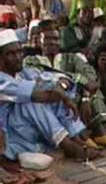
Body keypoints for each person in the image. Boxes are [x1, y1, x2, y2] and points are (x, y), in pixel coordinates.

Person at [0, 29, 99, 161]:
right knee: (31, 100)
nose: (18, 57)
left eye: (19, 52)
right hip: (11, 136)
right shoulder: (2, 80)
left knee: (52, 92)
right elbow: (35, 94)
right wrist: (61, 95)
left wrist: (61, 89)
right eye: (11, 54)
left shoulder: (24, 73)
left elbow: (59, 79)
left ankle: (75, 138)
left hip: (28, 130)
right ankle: (68, 145)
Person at [24, 29, 106, 148]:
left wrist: (85, 95)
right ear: (40, 40)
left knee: (89, 92)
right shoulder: (31, 61)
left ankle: (99, 133)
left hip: (77, 93)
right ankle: (83, 135)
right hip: (51, 97)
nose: (53, 42)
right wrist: (78, 79)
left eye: (56, 39)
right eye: (48, 38)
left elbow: (89, 76)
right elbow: (41, 80)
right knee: (66, 93)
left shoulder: (71, 57)